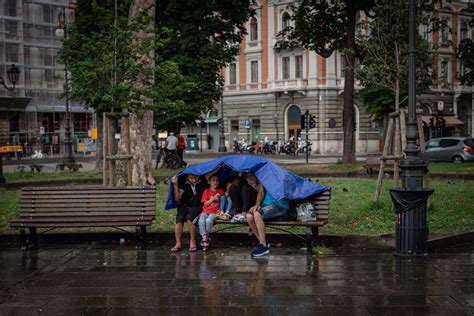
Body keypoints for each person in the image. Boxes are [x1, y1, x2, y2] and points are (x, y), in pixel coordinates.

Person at [246, 184, 289, 257]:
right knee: (249, 216)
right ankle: (263, 244)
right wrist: (257, 204)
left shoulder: (282, 175)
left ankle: (263, 245)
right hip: (266, 205)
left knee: (257, 214)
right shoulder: (265, 174)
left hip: (279, 205)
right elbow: (261, 192)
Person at [198, 175, 225, 251]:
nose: (215, 182)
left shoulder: (220, 191)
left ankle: (204, 239)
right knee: (201, 221)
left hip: (214, 212)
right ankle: (205, 237)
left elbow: (224, 201)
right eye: (213, 180)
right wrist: (213, 199)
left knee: (209, 221)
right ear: (209, 182)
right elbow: (205, 204)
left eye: (217, 180)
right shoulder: (206, 191)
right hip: (205, 211)